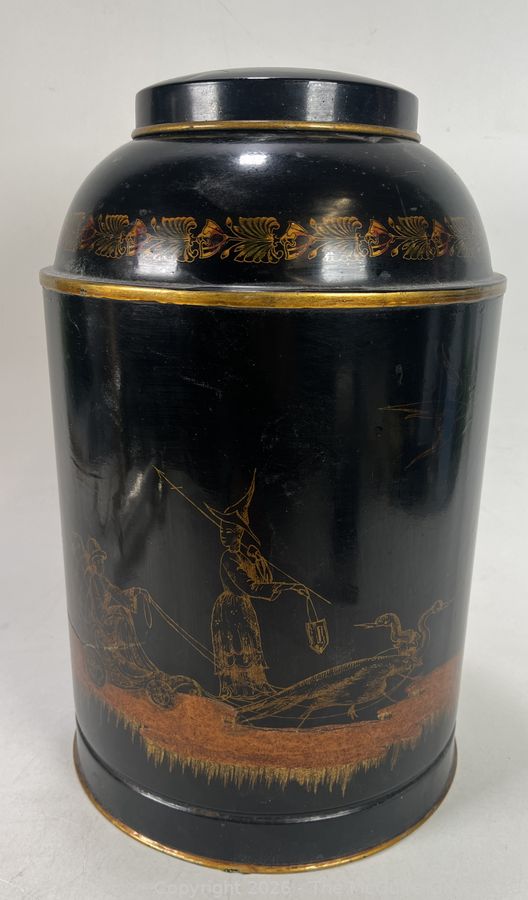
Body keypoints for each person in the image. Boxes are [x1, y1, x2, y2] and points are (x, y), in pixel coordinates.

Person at [205, 474, 308, 701]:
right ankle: (236, 691)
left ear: (240, 534)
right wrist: (288, 587)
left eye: (229, 531)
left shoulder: (243, 556)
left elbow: (262, 580)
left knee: (249, 642)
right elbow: (249, 587)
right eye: (222, 530)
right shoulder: (228, 558)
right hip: (231, 606)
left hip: (242, 606)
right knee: (236, 645)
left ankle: (256, 686)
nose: (224, 535)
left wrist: (258, 560)